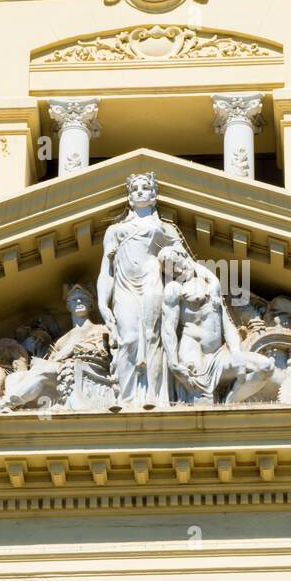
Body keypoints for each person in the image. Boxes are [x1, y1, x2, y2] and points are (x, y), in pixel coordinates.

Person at [97, 173, 183, 406]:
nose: (140, 191)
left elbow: (185, 264)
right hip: (125, 287)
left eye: (146, 187)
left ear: (154, 194)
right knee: (129, 337)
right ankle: (127, 398)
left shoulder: (165, 229)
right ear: (129, 196)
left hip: (152, 283)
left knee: (153, 336)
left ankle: (153, 396)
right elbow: (107, 270)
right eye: (135, 188)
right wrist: (102, 304)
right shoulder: (115, 231)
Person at [159, 247, 274, 405]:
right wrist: (173, 363)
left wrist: (235, 352)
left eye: (177, 263)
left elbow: (227, 324)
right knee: (201, 406)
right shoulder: (174, 289)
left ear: (183, 256)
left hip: (220, 355)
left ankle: (229, 403)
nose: (179, 270)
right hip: (194, 354)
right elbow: (168, 329)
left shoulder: (211, 286)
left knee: (265, 367)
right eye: (173, 271)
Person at [0, 284, 111, 411]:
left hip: (86, 371)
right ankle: (13, 407)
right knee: (14, 377)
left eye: (83, 298)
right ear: (68, 305)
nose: (78, 301)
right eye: (74, 299)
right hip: (61, 376)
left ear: (91, 304)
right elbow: (51, 361)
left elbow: (104, 353)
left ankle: (7, 402)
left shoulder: (101, 329)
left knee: (40, 370)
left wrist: (70, 350)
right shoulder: (62, 340)